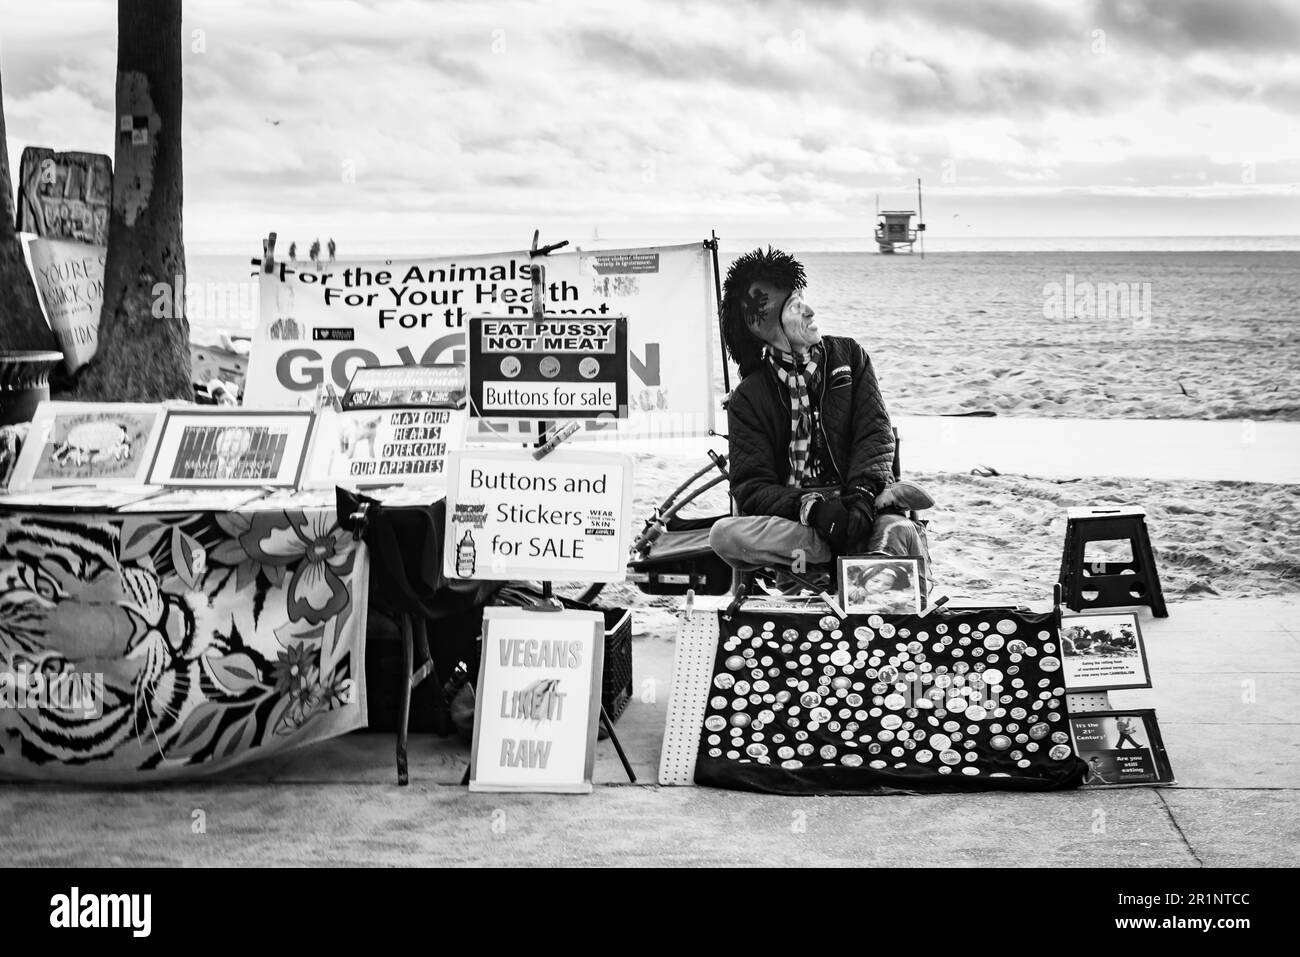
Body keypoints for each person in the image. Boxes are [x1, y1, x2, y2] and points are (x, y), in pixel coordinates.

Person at [709, 247, 931, 589]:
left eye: (803, 300)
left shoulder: (849, 356)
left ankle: (866, 552)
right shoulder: (748, 398)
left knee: (896, 528)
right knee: (724, 535)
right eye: (796, 308)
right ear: (770, 326)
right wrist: (813, 510)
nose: (810, 311)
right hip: (802, 521)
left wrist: (859, 495)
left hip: (864, 501)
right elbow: (751, 487)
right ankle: (845, 556)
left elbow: (876, 435)